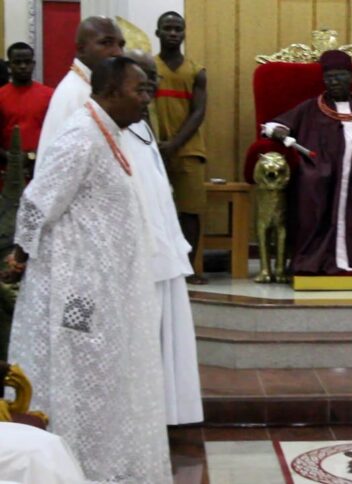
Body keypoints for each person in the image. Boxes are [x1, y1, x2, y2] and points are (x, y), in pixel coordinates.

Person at [6, 56, 171, 482]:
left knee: (103, 379)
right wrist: (20, 255)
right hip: (77, 296)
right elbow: (38, 200)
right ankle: (82, 465)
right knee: (81, 375)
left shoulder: (108, 133)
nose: (147, 97)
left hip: (102, 287)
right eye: (140, 89)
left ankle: (103, 462)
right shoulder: (80, 135)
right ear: (112, 91)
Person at [262, 50, 352, 274]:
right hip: (321, 168)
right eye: (329, 77)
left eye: (340, 76)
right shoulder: (311, 106)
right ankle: (314, 258)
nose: (334, 82)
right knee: (311, 183)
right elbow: (274, 125)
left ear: (351, 77)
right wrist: (279, 131)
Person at [122, 49, 203, 426]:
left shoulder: (138, 119)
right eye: (144, 78)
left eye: (154, 78)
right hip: (142, 254)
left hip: (162, 251)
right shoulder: (115, 121)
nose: (152, 86)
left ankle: (165, 412)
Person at [154, 11, 208, 285]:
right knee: (154, 210)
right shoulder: (147, 68)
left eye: (178, 29)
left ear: (184, 33)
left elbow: (199, 113)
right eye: (168, 28)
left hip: (188, 150)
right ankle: (160, 267)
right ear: (158, 33)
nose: (173, 33)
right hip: (152, 150)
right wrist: (155, 144)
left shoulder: (196, 71)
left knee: (190, 210)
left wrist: (174, 144)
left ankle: (187, 268)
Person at [35, 17, 124, 178]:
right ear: (81, 49)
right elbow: (53, 170)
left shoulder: (99, 86)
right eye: (106, 43)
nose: (117, 52)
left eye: (121, 45)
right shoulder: (72, 93)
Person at [0, 42, 53, 179]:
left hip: (40, 169)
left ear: (33, 64)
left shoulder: (49, 95)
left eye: (27, 62)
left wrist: (32, 156)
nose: (23, 66)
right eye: (17, 62)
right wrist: (11, 158)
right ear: (9, 65)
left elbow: (55, 134)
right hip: (7, 173)